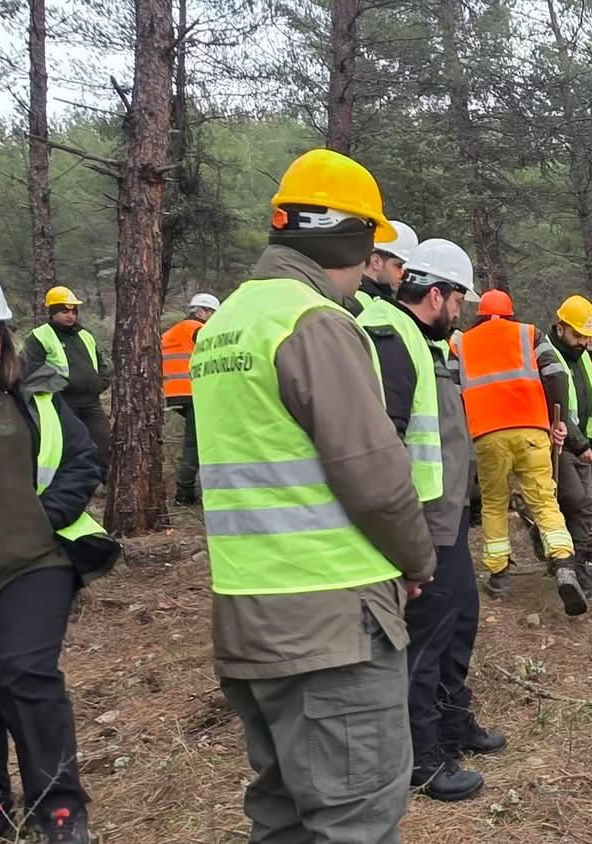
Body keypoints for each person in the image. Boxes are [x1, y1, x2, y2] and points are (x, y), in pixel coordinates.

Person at [191, 149, 435, 843]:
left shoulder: (227, 324)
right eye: (370, 247)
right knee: (355, 818)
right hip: (331, 623)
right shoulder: (315, 322)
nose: (370, 268)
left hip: (249, 614)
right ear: (350, 237)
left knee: (284, 814)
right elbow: (375, 477)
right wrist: (418, 561)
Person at [0, 265, 119, 844]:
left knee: (26, 676)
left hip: (33, 565)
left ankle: (59, 808)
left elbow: (80, 460)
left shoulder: (31, 398)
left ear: (2, 339)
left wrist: (41, 520)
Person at [359, 238, 504, 803]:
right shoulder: (392, 338)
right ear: (437, 294)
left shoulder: (430, 344)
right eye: (458, 301)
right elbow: (385, 442)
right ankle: (421, 758)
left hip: (448, 519)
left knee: (459, 623)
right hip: (420, 524)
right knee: (423, 642)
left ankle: (451, 723)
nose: (460, 313)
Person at [452, 290, 581, 609]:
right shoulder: (529, 333)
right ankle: (564, 563)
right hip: (532, 430)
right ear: (510, 314)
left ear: (480, 315)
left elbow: (452, 393)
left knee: (495, 503)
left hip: (486, 436)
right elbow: (556, 374)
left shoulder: (461, 344)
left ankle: (498, 576)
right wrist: (558, 418)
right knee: (544, 499)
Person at [538, 295, 592, 611]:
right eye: (577, 335)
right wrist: (581, 445)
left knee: (586, 504)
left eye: (587, 336)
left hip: (581, 439)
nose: (583, 342)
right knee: (574, 500)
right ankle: (564, 563)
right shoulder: (549, 354)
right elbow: (559, 407)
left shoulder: (581, 356)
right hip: (561, 443)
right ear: (560, 327)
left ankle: (577, 567)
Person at [22, 286, 110, 467]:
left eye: (73, 311)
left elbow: (101, 363)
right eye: (64, 311)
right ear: (52, 312)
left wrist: (101, 382)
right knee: (67, 448)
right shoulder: (40, 336)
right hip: (61, 402)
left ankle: (103, 484)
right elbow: (30, 369)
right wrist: (61, 386)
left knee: (103, 444)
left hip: (91, 402)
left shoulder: (85, 335)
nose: (70, 315)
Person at [161, 293, 220, 506]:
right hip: (196, 392)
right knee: (195, 444)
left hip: (174, 394)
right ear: (202, 311)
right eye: (212, 313)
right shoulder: (199, 330)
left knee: (195, 441)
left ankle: (189, 489)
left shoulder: (172, 332)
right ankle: (184, 493)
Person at [356, 220, 418, 307]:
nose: (404, 275)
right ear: (376, 262)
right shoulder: (364, 304)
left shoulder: (354, 294)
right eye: (399, 266)